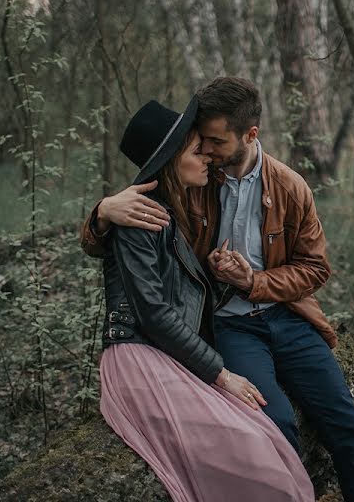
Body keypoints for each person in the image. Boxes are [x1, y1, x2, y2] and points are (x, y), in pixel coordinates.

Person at [82, 77, 354, 502]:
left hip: (288, 317)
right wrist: (101, 211)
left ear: (250, 135)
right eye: (200, 143)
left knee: (350, 432)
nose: (207, 151)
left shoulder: (290, 186)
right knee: (274, 423)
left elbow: (316, 268)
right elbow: (134, 236)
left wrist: (254, 281)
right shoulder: (196, 186)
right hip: (230, 326)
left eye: (214, 141)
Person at [96, 97, 314, 502]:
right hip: (137, 358)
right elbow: (155, 313)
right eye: (198, 151)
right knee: (251, 447)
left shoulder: (170, 212)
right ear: (172, 161)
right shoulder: (137, 217)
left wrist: (222, 277)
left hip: (161, 354)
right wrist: (221, 373)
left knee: (263, 434)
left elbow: (176, 298)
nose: (208, 158)